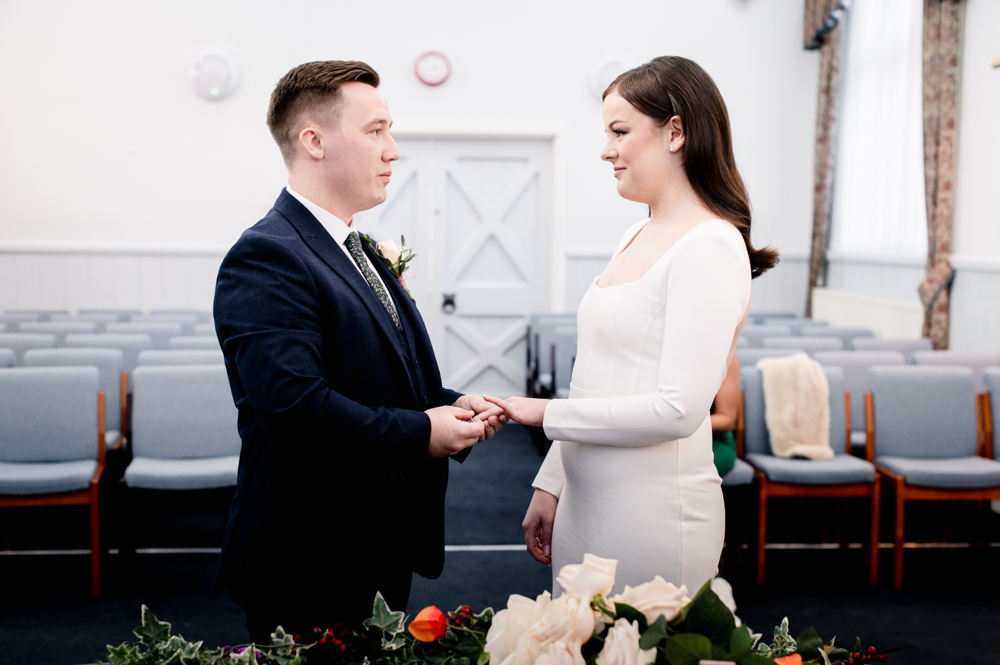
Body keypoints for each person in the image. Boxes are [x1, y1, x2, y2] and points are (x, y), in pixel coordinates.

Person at [212, 60, 505, 643]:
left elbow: (376, 379)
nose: (393, 150)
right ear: (313, 141)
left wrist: (451, 404)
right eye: (376, 131)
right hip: (311, 553)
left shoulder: (357, 245)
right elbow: (296, 411)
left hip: (376, 539)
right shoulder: (268, 256)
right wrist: (423, 431)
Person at [485, 56, 777, 595]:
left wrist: (544, 412)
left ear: (676, 132)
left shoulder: (711, 245)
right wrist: (551, 484)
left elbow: (678, 409)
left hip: (651, 513)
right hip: (584, 501)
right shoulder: (633, 235)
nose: (606, 149)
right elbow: (595, 379)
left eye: (620, 131)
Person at [711, 355, 741, 479]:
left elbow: (727, 420)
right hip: (664, 438)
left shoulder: (726, 353)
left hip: (714, 441)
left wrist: (680, 423)